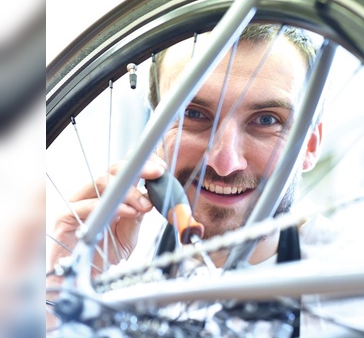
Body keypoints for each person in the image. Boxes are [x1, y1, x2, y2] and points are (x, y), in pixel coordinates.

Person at [47, 23, 329, 336]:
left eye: (266, 120)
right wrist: (60, 294)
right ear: (153, 133)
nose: (225, 163)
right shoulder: (117, 257)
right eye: (194, 114)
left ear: (311, 145)